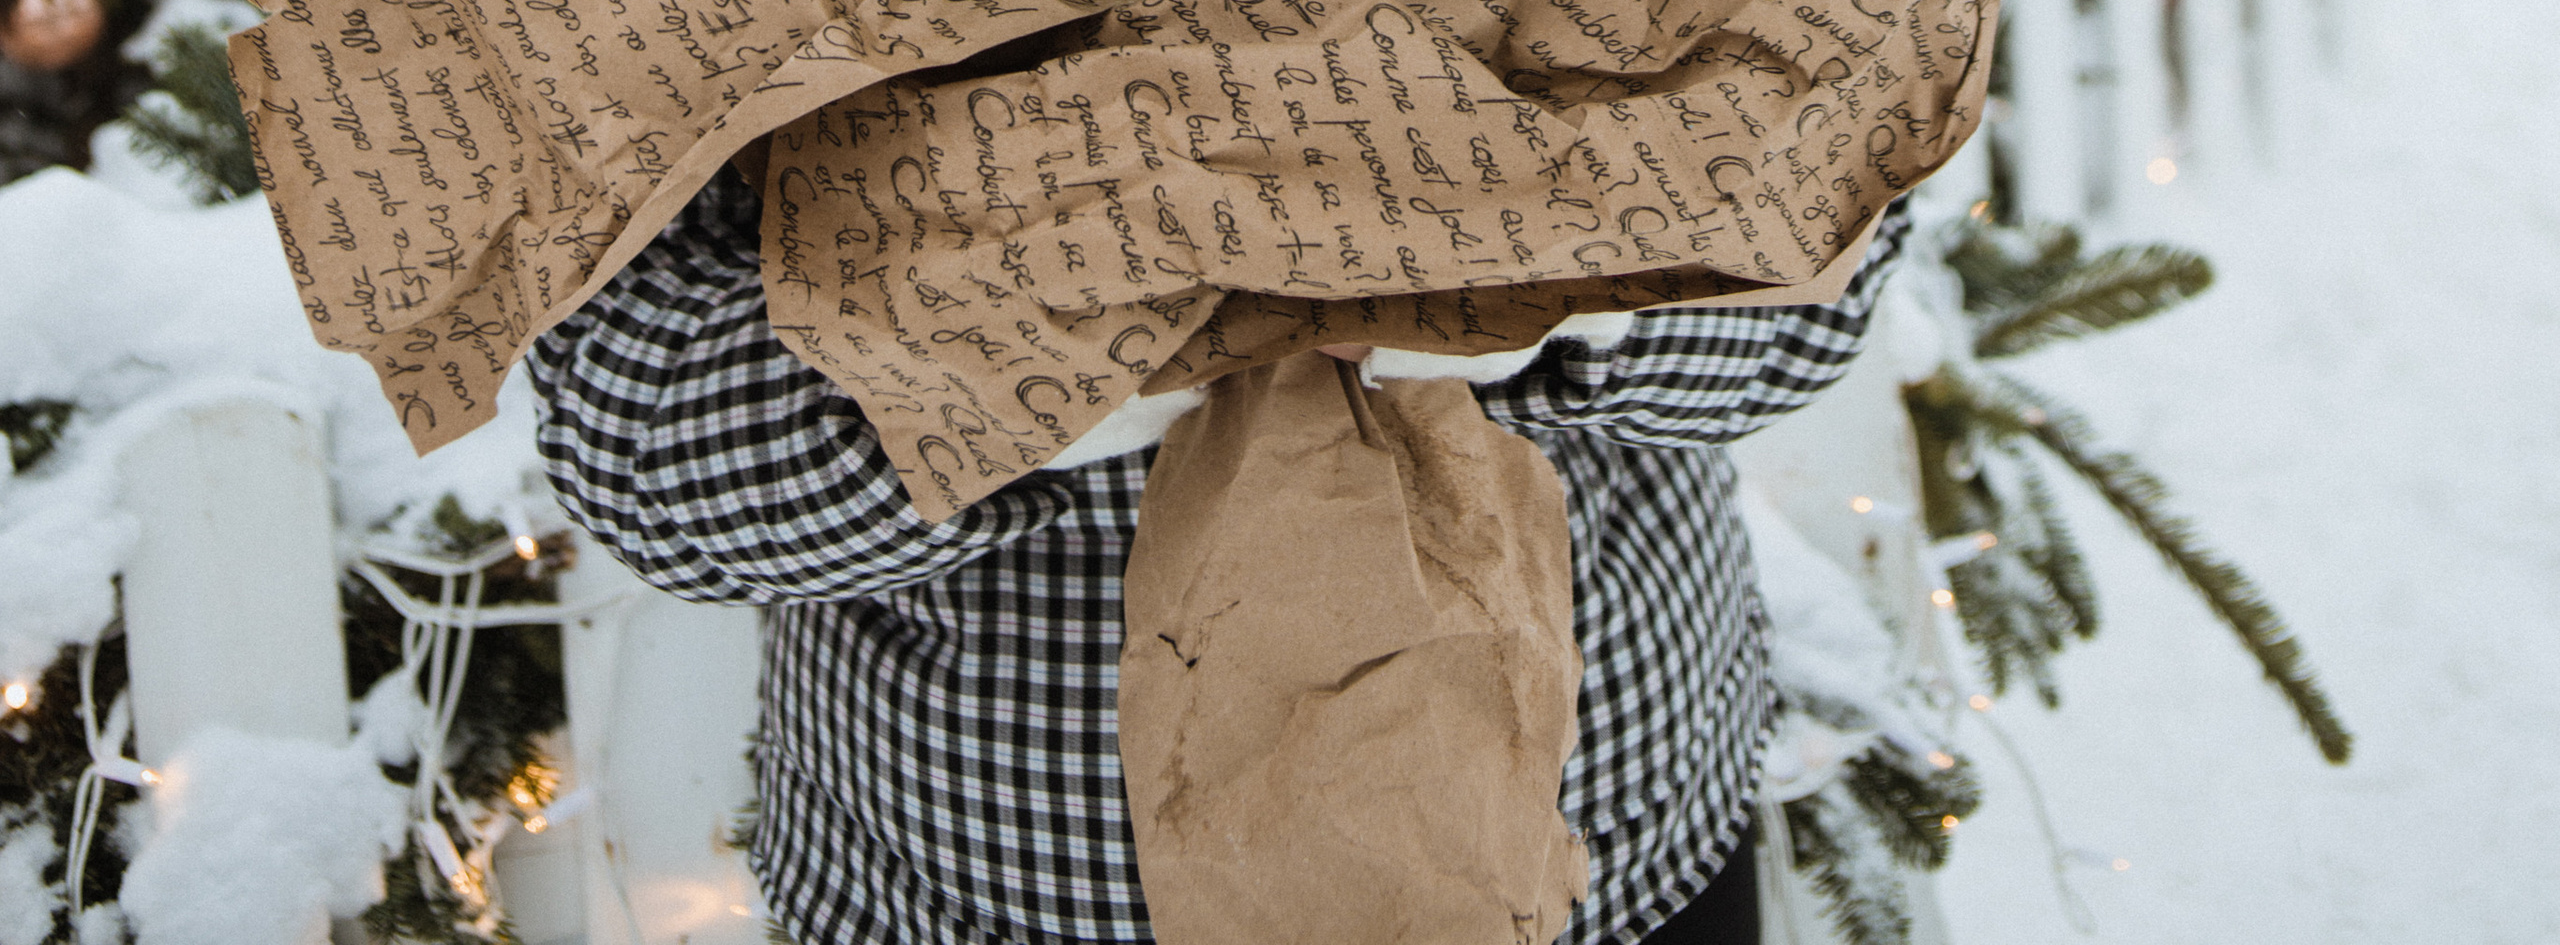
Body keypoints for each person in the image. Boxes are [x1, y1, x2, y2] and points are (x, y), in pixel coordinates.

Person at [528, 166, 1906, 945]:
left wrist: (1533, 291)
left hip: (1602, 863)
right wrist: (1085, 343)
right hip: (985, 899)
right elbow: (643, 442)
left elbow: (1837, 236)